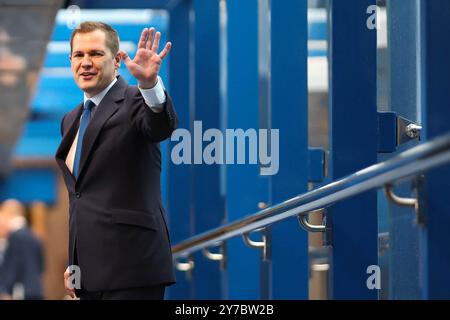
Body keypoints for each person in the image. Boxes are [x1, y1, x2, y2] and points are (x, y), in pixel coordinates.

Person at [54, 21, 178, 300]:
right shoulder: (70, 120)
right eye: (78, 55)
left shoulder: (136, 100)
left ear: (117, 61)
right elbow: (80, 198)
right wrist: (76, 264)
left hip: (133, 266)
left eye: (96, 54)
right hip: (88, 275)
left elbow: (159, 125)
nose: (85, 62)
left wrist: (149, 85)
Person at [0, 199, 44, 300]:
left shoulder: (14, 237)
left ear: (9, 213)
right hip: (36, 289)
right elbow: (42, 265)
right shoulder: (34, 236)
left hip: (20, 292)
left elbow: (13, 266)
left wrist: (4, 290)